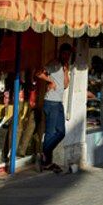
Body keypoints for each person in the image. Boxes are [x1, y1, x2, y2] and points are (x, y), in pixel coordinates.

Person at [35, 43, 73, 173]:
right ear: (60, 53)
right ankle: (46, 161)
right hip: (51, 102)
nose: (66, 56)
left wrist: (66, 71)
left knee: (61, 132)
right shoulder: (54, 64)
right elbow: (39, 73)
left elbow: (66, 85)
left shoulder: (64, 67)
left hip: (58, 103)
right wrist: (50, 81)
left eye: (68, 54)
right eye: (65, 53)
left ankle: (44, 155)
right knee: (50, 132)